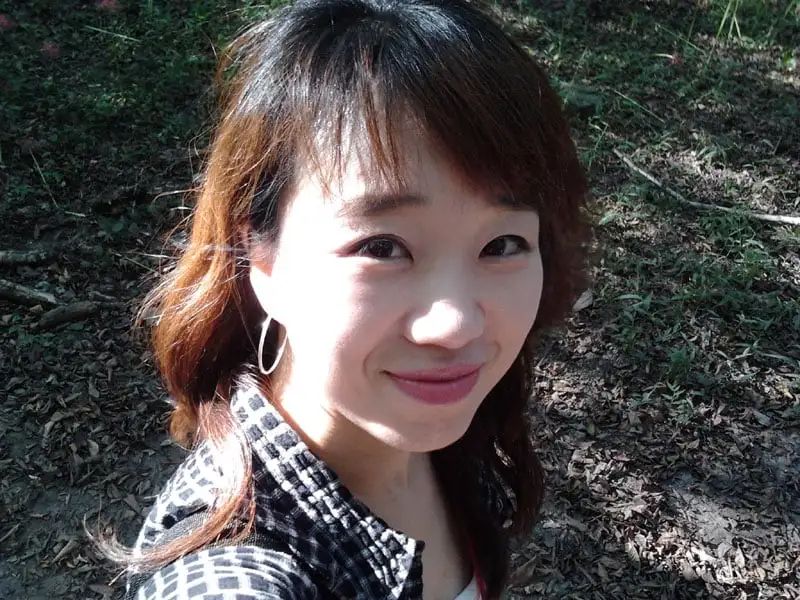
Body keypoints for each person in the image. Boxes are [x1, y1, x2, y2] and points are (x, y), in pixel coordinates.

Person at [112, 0, 589, 597]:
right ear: (263, 258)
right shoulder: (232, 567)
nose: (456, 325)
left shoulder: (448, 429)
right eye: (382, 247)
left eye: (503, 244)